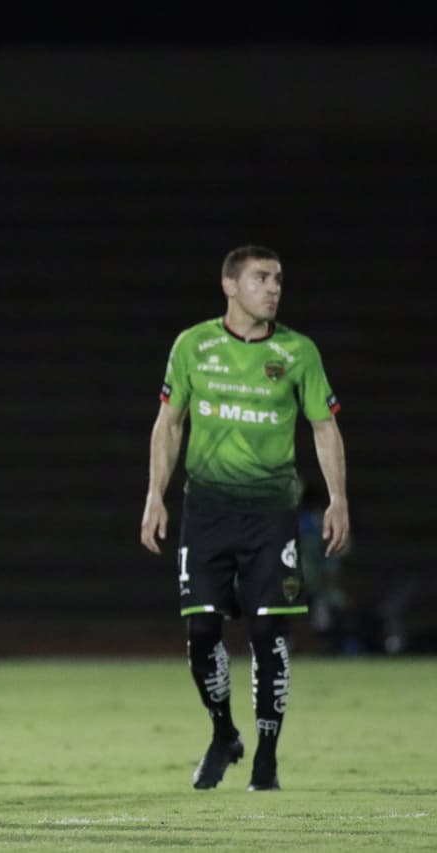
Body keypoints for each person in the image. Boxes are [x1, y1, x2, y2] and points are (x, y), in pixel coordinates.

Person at [140, 245, 349, 792]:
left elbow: (323, 428)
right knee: (203, 628)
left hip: (270, 515)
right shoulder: (193, 345)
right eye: (261, 278)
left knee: (268, 632)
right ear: (230, 286)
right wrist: (155, 496)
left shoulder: (298, 352)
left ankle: (266, 758)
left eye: (278, 278)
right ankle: (223, 733)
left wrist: (337, 498)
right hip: (206, 510)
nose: (274, 288)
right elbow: (169, 422)